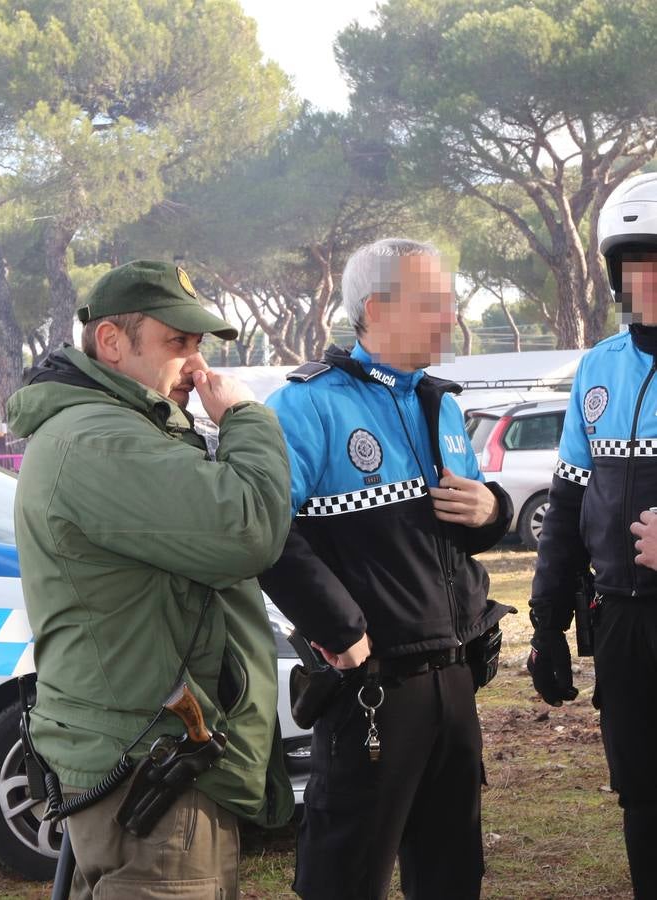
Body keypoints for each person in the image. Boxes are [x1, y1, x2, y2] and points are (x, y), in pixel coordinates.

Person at [7, 260, 293, 899]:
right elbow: (248, 528)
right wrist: (246, 419)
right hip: (150, 768)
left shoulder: (116, 429)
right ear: (112, 342)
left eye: (197, 346)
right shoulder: (101, 440)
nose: (196, 366)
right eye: (177, 344)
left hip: (145, 755)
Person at [259, 238, 513, 899]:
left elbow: (466, 531)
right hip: (371, 686)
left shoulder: (441, 404)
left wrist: (493, 510)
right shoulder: (305, 406)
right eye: (432, 304)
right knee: (345, 876)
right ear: (375, 309)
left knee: (452, 873)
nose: (449, 317)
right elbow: (264, 533)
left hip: (454, 680)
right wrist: (340, 630)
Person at [529, 171, 657, 898]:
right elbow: (568, 509)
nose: (649, 282)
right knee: (641, 794)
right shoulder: (598, 370)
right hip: (622, 624)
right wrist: (548, 624)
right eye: (635, 266)